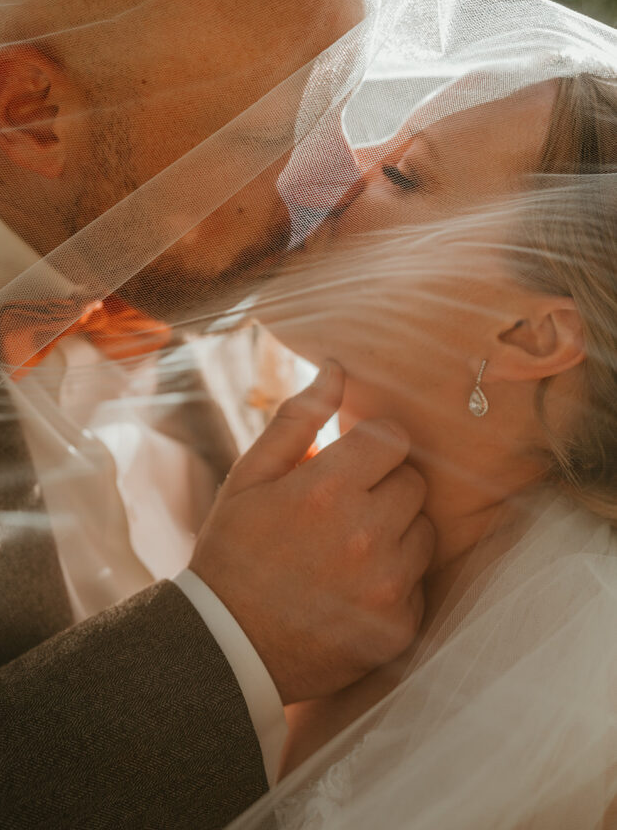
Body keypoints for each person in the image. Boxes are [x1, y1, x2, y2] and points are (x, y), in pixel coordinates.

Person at [0, 0, 437, 828]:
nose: (340, 179)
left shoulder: (231, 319)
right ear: (33, 114)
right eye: (270, 132)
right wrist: (227, 640)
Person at [237, 72, 617, 826]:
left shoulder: (581, 706)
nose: (341, 168)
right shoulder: (281, 526)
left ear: (528, 336)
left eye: (405, 174)